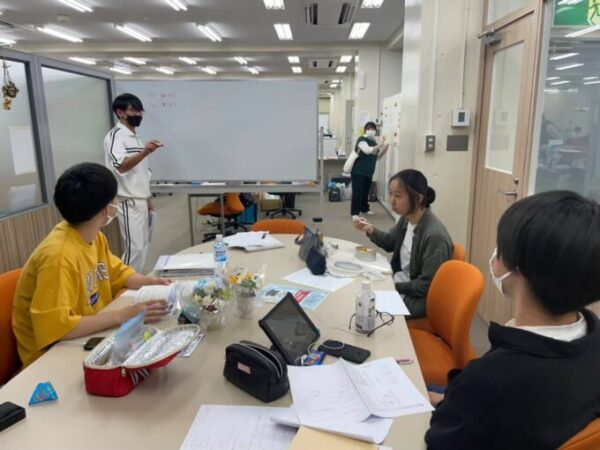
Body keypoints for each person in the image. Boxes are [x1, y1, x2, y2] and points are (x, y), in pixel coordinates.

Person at [425, 191, 600, 450]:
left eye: (500, 248)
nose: (495, 255)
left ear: (517, 268)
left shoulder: (488, 380)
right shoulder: (593, 337)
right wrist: (452, 399)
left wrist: (459, 400)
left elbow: (439, 441)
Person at [12, 163, 171, 368]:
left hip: (88, 335)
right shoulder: (58, 257)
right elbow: (58, 329)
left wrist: (151, 282)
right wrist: (123, 315)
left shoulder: (92, 236)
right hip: (51, 358)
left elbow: (119, 274)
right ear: (107, 209)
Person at [353, 169, 452, 318]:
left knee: (366, 309)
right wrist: (370, 229)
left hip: (416, 299)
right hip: (401, 284)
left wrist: (394, 286)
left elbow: (425, 285)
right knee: (360, 290)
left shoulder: (435, 237)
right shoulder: (407, 218)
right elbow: (390, 242)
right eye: (391, 194)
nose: (392, 201)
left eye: (398, 196)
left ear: (418, 199)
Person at [104, 93, 164, 272]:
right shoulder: (115, 136)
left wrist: (148, 198)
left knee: (143, 245)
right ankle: (124, 284)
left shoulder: (135, 137)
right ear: (120, 112)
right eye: (133, 110)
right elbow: (120, 166)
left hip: (141, 200)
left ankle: (134, 281)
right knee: (135, 248)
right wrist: (145, 152)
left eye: (140, 111)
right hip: (128, 201)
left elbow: (141, 173)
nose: (138, 114)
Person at [350, 121, 389, 219]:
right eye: (369, 129)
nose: (371, 131)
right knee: (357, 192)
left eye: (373, 129)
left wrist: (384, 150)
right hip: (358, 171)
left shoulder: (373, 142)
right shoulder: (361, 139)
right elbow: (367, 150)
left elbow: (376, 157)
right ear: (365, 130)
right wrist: (380, 144)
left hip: (368, 172)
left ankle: (364, 208)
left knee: (365, 191)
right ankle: (355, 213)